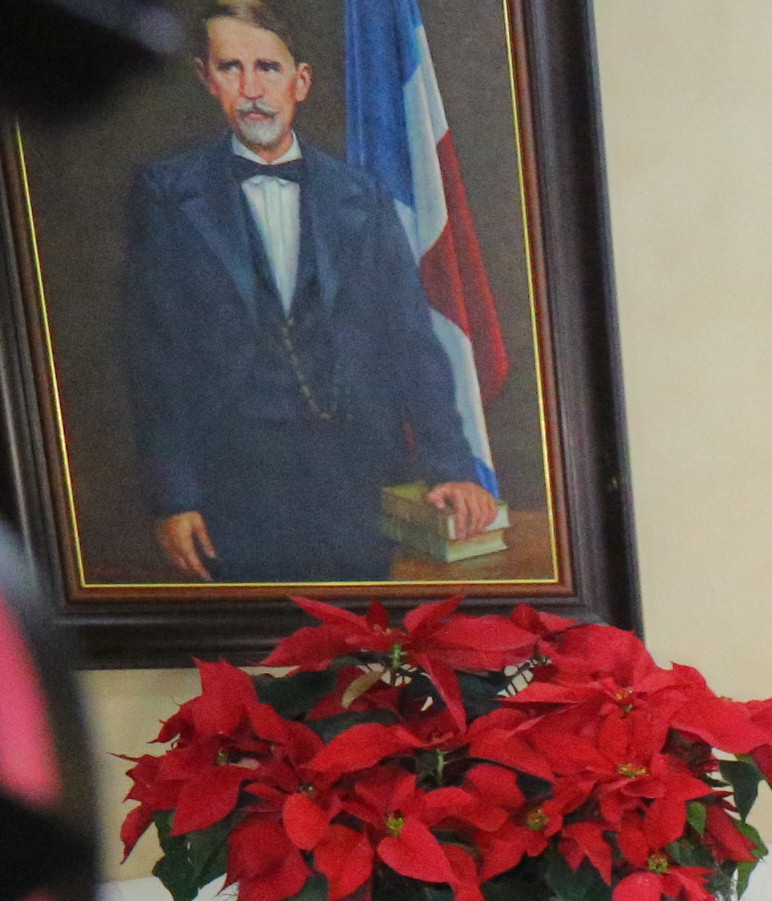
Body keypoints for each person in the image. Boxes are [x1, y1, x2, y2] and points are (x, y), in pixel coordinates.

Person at [124, 3, 498, 584]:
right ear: (206, 78)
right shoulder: (166, 194)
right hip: (230, 489)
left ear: (301, 81)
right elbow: (156, 360)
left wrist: (451, 466)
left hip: (357, 480)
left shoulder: (363, 195)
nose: (252, 90)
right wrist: (175, 497)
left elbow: (411, 341)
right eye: (231, 68)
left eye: (268, 68)